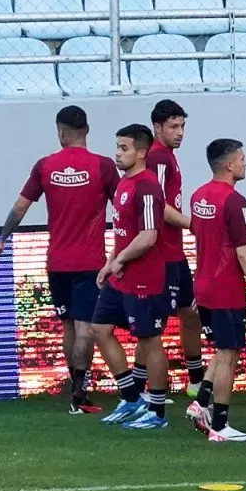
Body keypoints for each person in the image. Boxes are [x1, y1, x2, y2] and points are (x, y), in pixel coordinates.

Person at [0, 105, 117, 415]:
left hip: (56, 261)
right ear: (86, 130)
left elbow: (20, 207)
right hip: (91, 261)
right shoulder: (103, 167)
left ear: (61, 131)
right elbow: (123, 207)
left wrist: (3, 238)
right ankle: (79, 393)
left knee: (69, 327)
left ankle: (74, 389)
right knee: (85, 328)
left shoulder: (45, 166)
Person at [185, 139, 246, 443]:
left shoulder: (198, 196)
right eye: (243, 159)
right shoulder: (234, 201)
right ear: (230, 165)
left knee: (221, 349)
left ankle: (200, 403)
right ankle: (219, 424)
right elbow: (243, 251)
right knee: (228, 354)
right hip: (226, 286)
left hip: (204, 284)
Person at [93, 124, 169, 429]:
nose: (118, 153)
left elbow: (148, 236)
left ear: (142, 152)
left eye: (124, 148)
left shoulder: (148, 186)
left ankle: (158, 411)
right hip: (121, 274)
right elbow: (124, 233)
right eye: (117, 147)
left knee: (150, 341)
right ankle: (131, 397)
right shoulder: (124, 183)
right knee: (100, 328)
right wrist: (110, 262)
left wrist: (117, 262)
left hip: (144, 278)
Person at [138, 100, 202, 398]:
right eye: (173, 127)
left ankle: (196, 377)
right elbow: (160, 205)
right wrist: (194, 224)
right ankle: (140, 389)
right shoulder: (159, 158)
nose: (180, 133)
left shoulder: (167, 156)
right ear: (157, 127)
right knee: (156, 324)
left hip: (173, 252)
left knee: (189, 313)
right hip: (161, 255)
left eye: (183, 126)